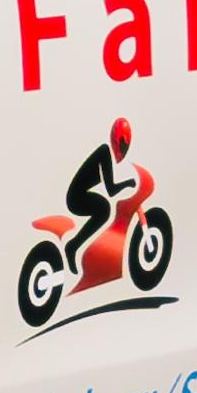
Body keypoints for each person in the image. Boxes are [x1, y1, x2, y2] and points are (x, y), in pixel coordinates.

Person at [62, 118, 136, 277]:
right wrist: (128, 183)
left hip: (80, 194)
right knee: (104, 209)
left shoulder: (106, 154)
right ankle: (73, 246)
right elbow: (111, 190)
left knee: (104, 209)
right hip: (75, 198)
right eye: (123, 145)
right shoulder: (104, 153)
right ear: (116, 140)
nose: (123, 150)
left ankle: (74, 246)